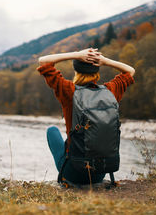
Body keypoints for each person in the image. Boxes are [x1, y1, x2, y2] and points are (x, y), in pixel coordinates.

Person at [37, 48, 135, 185]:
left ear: (76, 71)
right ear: (97, 71)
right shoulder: (110, 92)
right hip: (100, 173)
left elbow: (43, 61)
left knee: (52, 130)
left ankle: (66, 176)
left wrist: (76, 55)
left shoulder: (69, 92)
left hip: (73, 172)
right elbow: (130, 71)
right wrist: (105, 61)